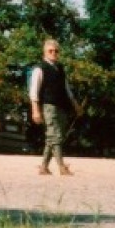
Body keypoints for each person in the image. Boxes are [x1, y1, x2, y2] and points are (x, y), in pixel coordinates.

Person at [29, 38, 81, 176]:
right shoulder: (39, 68)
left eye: (56, 51)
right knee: (55, 135)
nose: (53, 53)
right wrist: (35, 110)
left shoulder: (60, 68)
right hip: (48, 106)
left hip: (61, 106)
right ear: (44, 52)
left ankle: (43, 167)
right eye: (50, 51)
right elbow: (34, 90)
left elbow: (67, 88)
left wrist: (75, 104)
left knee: (53, 137)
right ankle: (62, 167)